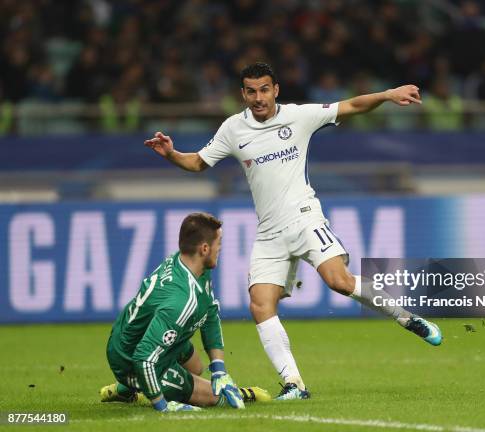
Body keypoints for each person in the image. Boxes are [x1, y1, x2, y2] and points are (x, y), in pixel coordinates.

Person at [144, 63, 443, 401]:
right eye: (251, 91)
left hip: (305, 219)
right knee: (260, 304)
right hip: (269, 233)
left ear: (276, 90)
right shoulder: (233, 128)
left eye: (264, 90)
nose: (258, 98)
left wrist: (388, 95)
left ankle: (408, 319)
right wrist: (170, 154)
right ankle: (294, 385)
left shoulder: (299, 116)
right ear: (243, 94)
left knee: (339, 282)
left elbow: (352, 105)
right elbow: (198, 162)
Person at [100, 212, 270, 411]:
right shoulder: (180, 302)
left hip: (140, 334)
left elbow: (210, 313)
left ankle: (127, 389)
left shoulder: (194, 267)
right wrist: (163, 406)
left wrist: (218, 369)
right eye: (219, 242)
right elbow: (143, 358)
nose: (221, 248)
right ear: (205, 249)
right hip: (128, 358)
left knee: (196, 368)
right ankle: (132, 383)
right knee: (211, 397)